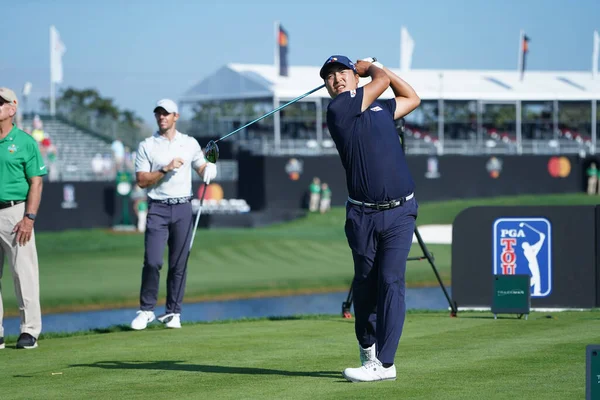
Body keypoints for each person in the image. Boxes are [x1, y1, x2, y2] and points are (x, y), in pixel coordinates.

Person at [319, 56, 421, 382]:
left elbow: (412, 98)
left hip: (401, 211)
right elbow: (379, 83)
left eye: (341, 73)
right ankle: (368, 346)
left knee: (391, 280)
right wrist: (372, 68)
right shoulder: (338, 110)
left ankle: (385, 364)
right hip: (362, 215)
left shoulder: (380, 109)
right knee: (365, 284)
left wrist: (382, 70)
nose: (336, 80)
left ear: (353, 75)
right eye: (329, 77)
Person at [131, 98, 217, 330]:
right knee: (153, 261)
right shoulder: (147, 145)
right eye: (158, 113)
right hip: (158, 208)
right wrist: (165, 169)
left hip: (183, 207)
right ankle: (147, 310)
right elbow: (141, 181)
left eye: (166, 113)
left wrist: (209, 169)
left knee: (179, 263)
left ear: (175, 116)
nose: (162, 117)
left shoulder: (189, 143)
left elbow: (201, 167)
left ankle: (173, 312)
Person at [0, 87, 47, 349]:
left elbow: (36, 183)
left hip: (15, 212)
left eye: (0, 103)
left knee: (23, 273)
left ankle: (29, 330)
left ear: (11, 109)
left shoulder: (25, 141)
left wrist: (29, 218)